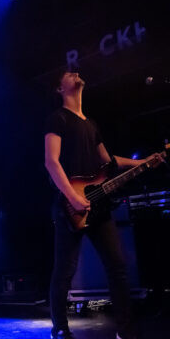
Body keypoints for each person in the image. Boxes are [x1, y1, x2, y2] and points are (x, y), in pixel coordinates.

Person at [44, 70, 161, 339]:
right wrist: (73, 197)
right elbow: (51, 161)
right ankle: (60, 328)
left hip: (99, 207)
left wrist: (144, 162)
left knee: (117, 265)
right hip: (69, 207)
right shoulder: (57, 119)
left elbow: (110, 163)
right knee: (64, 270)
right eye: (67, 74)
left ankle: (125, 329)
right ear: (60, 89)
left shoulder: (91, 124)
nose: (75, 72)